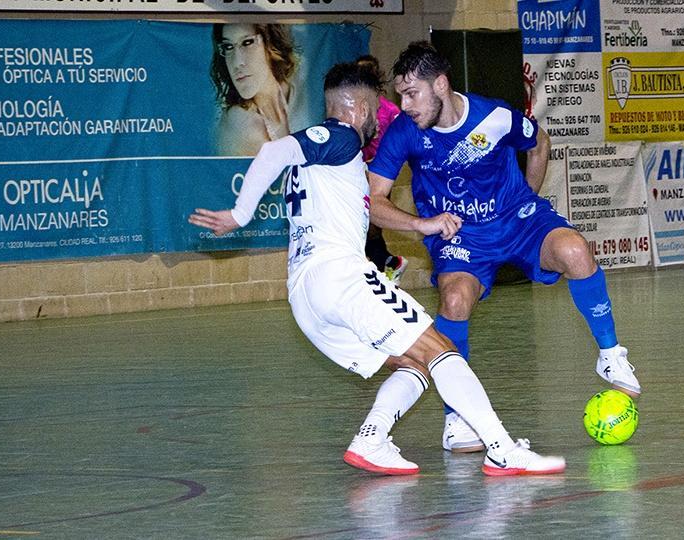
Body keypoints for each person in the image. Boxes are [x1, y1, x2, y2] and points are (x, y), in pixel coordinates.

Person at [188, 62, 564, 477]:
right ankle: (502, 449)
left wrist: (421, 224)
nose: (383, 123)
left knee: (413, 363)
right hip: (341, 277)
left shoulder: (324, 159)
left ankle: (372, 438)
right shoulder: (343, 135)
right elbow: (275, 149)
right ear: (362, 109)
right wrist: (241, 214)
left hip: (305, 297)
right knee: (442, 350)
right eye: (379, 112)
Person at [367, 42, 641, 454]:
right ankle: (456, 419)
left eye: (412, 94)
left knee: (576, 252)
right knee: (455, 300)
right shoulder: (404, 133)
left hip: (516, 219)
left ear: (440, 84)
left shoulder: (493, 116)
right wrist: (420, 223)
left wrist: (526, 199)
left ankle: (610, 353)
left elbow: (539, 143)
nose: (403, 105)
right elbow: (374, 201)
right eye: (400, 96)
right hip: (460, 237)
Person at [356, 54, 407, 284]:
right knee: (366, 224)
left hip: (375, 173)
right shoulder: (363, 108)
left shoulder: (385, 110)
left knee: (370, 222)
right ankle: (385, 265)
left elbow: (400, 138)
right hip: (363, 172)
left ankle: (387, 264)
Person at [211, 23, 297, 156]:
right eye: (228, 47)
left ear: (270, 44)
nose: (237, 62)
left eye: (247, 43)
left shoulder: (301, 91)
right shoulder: (240, 122)